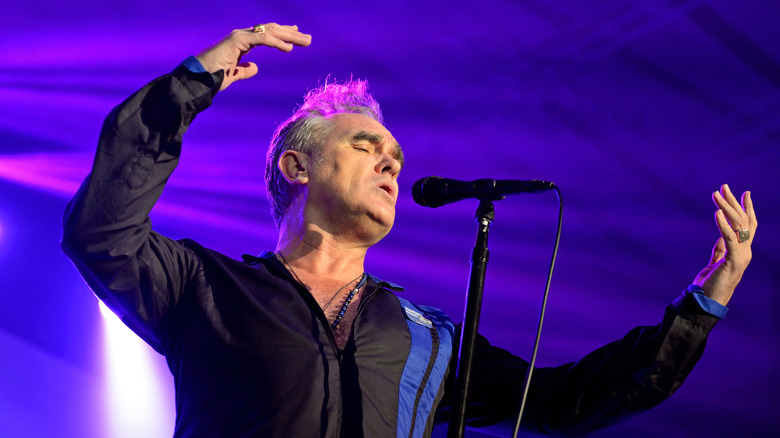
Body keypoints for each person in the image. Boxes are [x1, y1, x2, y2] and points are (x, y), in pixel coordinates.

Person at [61, 23, 757, 438]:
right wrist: (192, 82)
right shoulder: (206, 287)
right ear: (296, 164)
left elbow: (563, 401)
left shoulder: (427, 334)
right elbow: (101, 230)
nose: (391, 161)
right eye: (366, 145)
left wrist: (702, 305)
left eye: (395, 156)